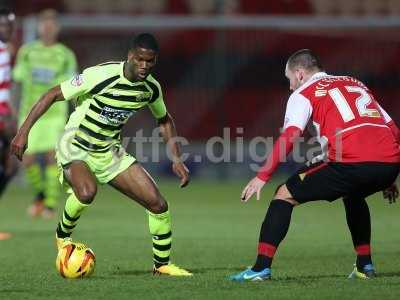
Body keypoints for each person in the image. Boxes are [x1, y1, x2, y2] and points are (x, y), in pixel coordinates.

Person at [11, 33, 192, 276]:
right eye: (139, 59)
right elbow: (52, 94)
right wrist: (23, 133)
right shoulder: (100, 75)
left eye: (150, 61)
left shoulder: (150, 89)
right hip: (75, 143)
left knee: (158, 204)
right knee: (87, 192)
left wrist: (177, 159)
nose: (144, 66)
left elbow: (164, 120)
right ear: (130, 56)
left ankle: (161, 266)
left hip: (109, 151)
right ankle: (62, 236)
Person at [230, 49, 400, 281]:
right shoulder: (355, 83)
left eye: (290, 79)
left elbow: (290, 136)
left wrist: (263, 175)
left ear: (299, 74)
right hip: (390, 162)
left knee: (283, 195)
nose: (290, 86)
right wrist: (388, 177)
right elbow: (392, 129)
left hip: (350, 161)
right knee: (353, 194)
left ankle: (260, 269)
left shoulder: (304, 93)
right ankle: (365, 266)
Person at [13, 9, 77, 219]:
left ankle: (49, 204)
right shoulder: (27, 52)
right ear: (39, 27)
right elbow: (18, 80)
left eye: (52, 25)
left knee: (51, 157)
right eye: (44, 24)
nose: (48, 28)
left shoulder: (65, 54)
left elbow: (72, 86)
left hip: (54, 113)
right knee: (27, 159)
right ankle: (40, 195)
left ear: (57, 28)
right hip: (29, 111)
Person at [0, 8, 16, 241]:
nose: (6, 29)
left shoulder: (6, 50)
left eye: (8, 25)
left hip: (4, 114)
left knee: (11, 165)